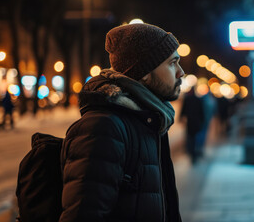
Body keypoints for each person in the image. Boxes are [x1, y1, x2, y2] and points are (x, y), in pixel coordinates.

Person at [60, 23, 184, 221]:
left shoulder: (150, 121)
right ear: (144, 72)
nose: (181, 72)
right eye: (172, 63)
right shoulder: (103, 128)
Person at [180, 87, 205, 163]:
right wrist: (202, 121)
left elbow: (183, 110)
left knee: (190, 136)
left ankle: (190, 151)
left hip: (189, 122)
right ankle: (193, 152)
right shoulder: (198, 99)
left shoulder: (187, 99)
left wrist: (181, 118)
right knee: (194, 138)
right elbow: (201, 111)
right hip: (196, 122)